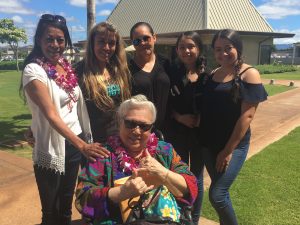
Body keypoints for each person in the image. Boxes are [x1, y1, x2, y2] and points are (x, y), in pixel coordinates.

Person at [21, 14, 105, 225]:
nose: (55, 45)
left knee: (66, 206)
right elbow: (50, 114)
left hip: (74, 144)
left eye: (60, 39)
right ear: (39, 39)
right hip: (51, 146)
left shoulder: (65, 66)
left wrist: (78, 143)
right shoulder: (34, 70)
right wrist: (83, 145)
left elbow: (73, 105)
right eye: (49, 39)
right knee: (51, 211)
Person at [75, 95, 198, 225]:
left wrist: (162, 173)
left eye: (144, 126)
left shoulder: (164, 151)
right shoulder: (103, 154)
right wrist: (121, 193)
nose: (137, 131)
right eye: (130, 123)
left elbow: (191, 187)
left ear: (151, 128)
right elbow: (82, 199)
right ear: (119, 122)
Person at [199, 29, 268, 225]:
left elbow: (247, 116)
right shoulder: (214, 73)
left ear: (238, 47)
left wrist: (228, 151)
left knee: (217, 194)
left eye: (228, 48)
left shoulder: (249, 74)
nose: (223, 54)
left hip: (233, 146)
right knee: (221, 193)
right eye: (218, 49)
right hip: (208, 143)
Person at [165, 31, 207, 225]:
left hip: (200, 135)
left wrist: (201, 120)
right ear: (177, 50)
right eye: (182, 47)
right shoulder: (172, 72)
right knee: (178, 176)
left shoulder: (208, 74)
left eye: (191, 46)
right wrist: (179, 117)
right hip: (177, 131)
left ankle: (194, 220)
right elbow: (166, 103)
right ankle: (180, 216)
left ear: (198, 49)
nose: (186, 51)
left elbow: (213, 105)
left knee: (197, 177)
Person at [75, 22, 131, 145]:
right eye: (101, 42)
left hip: (119, 140)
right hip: (93, 144)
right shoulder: (79, 72)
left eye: (111, 43)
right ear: (92, 44)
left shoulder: (118, 70)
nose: (106, 47)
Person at [128, 22, 171, 130]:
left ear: (154, 37)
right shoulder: (127, 69)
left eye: (146, 38)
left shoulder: (166, 63)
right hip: (141, 130)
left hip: (169, 128)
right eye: (137, 41)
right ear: (133, 43)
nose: (142, 43)